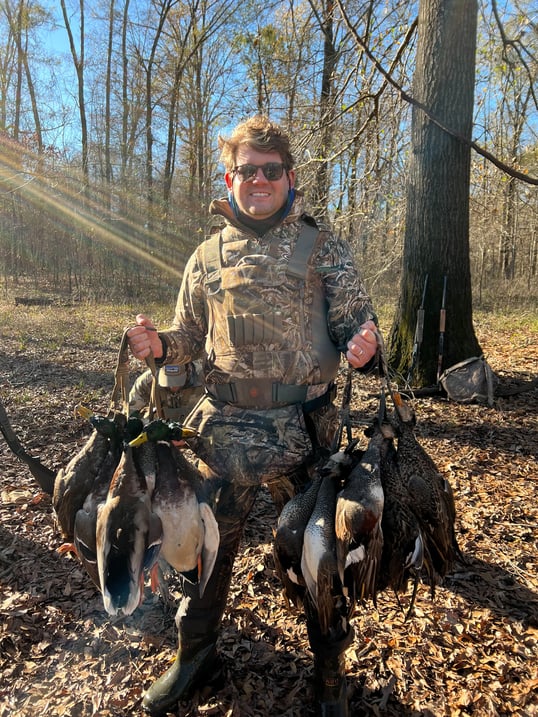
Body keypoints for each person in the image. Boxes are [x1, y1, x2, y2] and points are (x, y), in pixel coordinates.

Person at [127, 115, 378, 717]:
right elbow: (188, 335)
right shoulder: (206, 256)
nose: (259, 180)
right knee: (200, 550)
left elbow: (357, 330)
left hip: (306, 434)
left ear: (289, 178)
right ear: (229, 176)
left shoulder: (325, 250)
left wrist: (366, 347)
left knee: (318, 560)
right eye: (248, 170)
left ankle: (327, 674)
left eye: (271, 171)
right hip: (223, 433)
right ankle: (197, 655)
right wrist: (159, 345)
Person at [129, 361, 203, 422]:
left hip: (196, 428)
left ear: (188, 371)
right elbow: (131, 412)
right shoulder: (147, 382)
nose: (173, 387)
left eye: (178, 382)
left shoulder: (203, 378)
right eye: (168, 382)